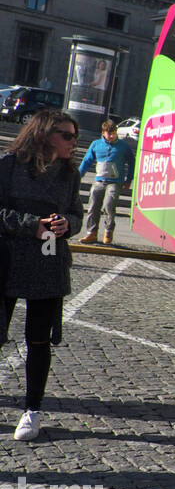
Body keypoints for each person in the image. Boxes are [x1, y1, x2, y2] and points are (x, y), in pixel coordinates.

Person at [0, 110, 83, 440]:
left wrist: (67, 224)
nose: (74, 141)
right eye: (67, 135)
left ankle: (32, 410)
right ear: (44, 134)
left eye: (75, 135)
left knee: (38, 340)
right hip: (6, 262)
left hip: (48, 265)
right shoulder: (9, 165)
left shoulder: (69, 173)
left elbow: (76, 213)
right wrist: (31, 225)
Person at [78, 120, 135, 244]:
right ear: (103, 133)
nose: (112, 136)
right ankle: (91, 233)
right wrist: (78, 176)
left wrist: (128, 179)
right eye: (109, 133)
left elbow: (132, 162)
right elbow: (87, 161)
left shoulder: (123, 146)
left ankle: (108, 230)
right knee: (93, 206)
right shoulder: (96, 144)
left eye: (114, 133)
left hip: (115, 182)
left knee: (109, 205)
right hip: (99, 180)